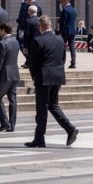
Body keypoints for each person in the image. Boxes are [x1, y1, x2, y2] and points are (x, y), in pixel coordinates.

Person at [25, 15, 77, 148]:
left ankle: (40, 139)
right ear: (50, 25)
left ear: (40, 26)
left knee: (41, 109)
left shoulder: (38, 40)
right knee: (53, 105)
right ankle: (69, 129)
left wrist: (34, 76)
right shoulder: (60, 40)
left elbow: (32, 62)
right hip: (57, 77)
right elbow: (63, 59)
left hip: (43, 77)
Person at [0, 23, 20, 132]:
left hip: (5, 74)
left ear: (3, 30)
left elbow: (0, 62)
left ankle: (5, 123)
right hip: (15, 72)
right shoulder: (15, 41)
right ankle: (12, 124)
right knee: (13, 100)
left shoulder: (3, 43)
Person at [58, 0, 78, 69]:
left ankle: (62, 62)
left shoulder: (65, 10)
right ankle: (73, 62)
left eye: (62, 1)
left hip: (65, 31)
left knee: (63, 47)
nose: (61, 3)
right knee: (72, 47)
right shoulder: (74, 10)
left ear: (66, 1)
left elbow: (63, 22)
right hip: (72, 31)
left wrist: (59, 31)